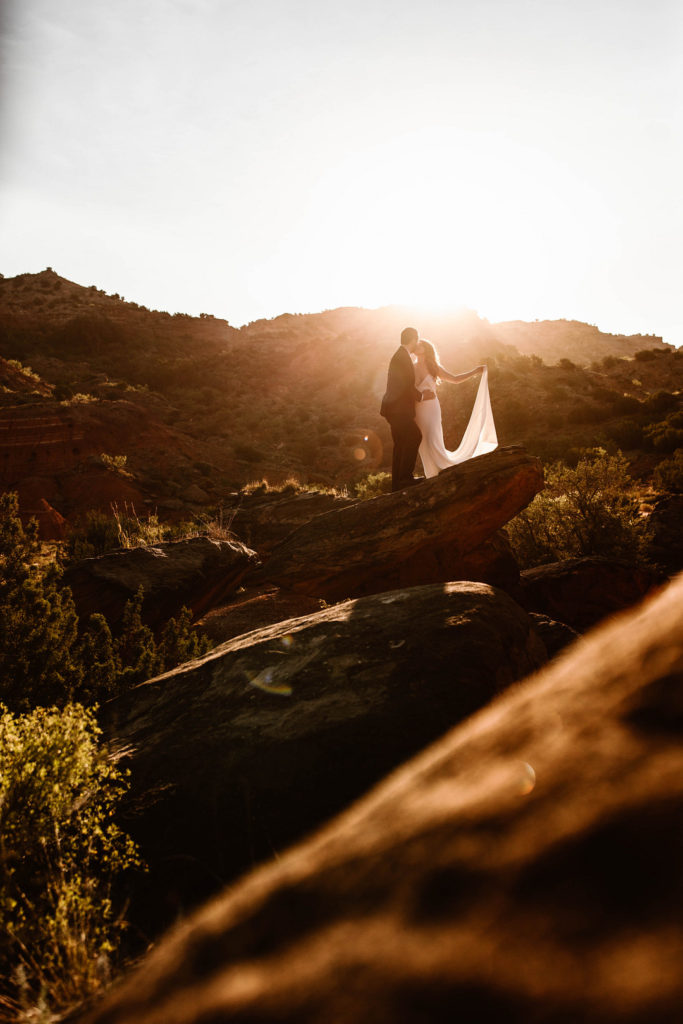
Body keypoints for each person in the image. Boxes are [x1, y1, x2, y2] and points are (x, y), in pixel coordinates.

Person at [413, 338, 498, 477]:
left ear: (426, 349)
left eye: (420, 345)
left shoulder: (433, 366)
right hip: (418, 408)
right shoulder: (411, 367)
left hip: (431, 407)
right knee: (423, 441)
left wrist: (475, 371)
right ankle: (432, 473)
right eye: (417, 344)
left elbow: (455, 379)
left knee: (433, 438)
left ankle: (444, 467)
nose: (417, 346)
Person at [380, 327, 435, 490]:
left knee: (400, 443)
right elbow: (406, 386)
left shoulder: (400, 355)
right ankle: (405, 478)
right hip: (399, 409)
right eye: (417, 340)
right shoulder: (403, 357)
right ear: (413, 339)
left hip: (393, 408)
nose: (417, 343)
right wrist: (423, 396)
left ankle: (397, 483)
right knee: (414, 436)